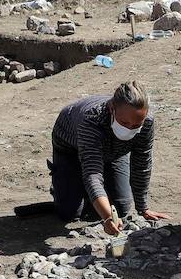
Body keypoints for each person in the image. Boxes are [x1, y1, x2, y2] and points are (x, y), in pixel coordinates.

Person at [49, 81, 169, 235]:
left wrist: (143, 208)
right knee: (69, 213)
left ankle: (90, 192)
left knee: (122, 208)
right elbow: (92, 174)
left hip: (113, 152)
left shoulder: (147, 122)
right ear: (112, 109)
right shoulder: (91, 119)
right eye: (124, 123)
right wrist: (107, 218)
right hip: (71, 148)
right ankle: (63, 184)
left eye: (136, 125)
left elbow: (142, 164)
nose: (130, 128)